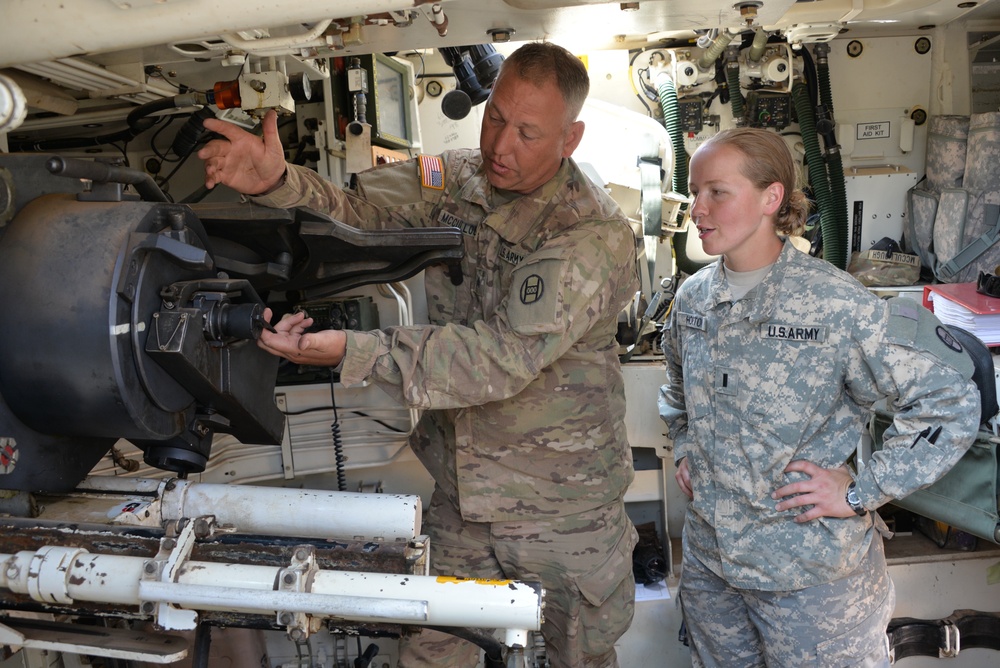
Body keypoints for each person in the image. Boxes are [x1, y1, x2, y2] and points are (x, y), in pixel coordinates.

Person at [199, 42, 641, 668]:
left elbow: (499, 357)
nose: (500, 146)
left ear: (570, 138)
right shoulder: (461, 179)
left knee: (576, 659)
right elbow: (368, 220)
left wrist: (355, 352)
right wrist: (277, 182)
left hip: (561, 512)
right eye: (495, 118)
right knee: (432, 655)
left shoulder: (590, 235)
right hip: (462, 498)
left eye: (527, 133)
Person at [657, 127, 981, 667]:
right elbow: (676, 386)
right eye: (695, 192)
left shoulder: (834, 304)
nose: (698, 209)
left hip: (810, 584)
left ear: (771, 197)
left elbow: (949, 402)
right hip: (714, 574)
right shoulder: (694, 298)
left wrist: (861, 490)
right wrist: (686, 445)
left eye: (717, 192)